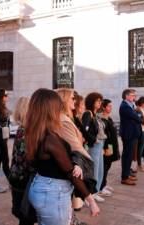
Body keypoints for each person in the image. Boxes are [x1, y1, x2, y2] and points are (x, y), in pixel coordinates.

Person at [25, 89, 99, 225]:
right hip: (53, 193)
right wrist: (91, 200)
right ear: (50, 109)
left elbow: (57, 161)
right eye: (57, 106)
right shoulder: (50, 138)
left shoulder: (36, 132)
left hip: (44, 187)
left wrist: (75, 163)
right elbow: (70, 172)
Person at [56, 88, 91, 225]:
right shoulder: (64, 120)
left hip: (71, 165)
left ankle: (71, 220)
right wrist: (88, 162)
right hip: (70, 166)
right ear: (64, 100)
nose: (74, 101)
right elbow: (75, 146)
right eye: (72, 98)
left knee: (68, 201)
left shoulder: (67, 118)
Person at [8, 97, 35, 225]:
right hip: (23, 181)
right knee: (26, 217)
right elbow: (26, 159)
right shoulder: (26, 131)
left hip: (17, 178)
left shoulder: (22, 129)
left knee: (24, 217)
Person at [82, 92, 107, 202]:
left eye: (100, 100)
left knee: (100, 169)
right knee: (94, 170)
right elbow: (84, 129)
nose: (100, 103)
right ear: (92, 102)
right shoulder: (88, 113)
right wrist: (93, 139)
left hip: (100, 144)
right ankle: (91, 193)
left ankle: (96, 191)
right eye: (97, 101)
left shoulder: (96, 114)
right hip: (94, 145)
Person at [119, 89, 141, 185]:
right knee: (127, 156)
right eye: (132, 95)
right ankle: (124, 177)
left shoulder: (130, 105)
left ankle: (127, 174)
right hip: (128, 134)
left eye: (134, 95)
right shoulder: (125, 106)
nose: (134, 97)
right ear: (126, 96)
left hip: (132, 134)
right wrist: (139, 115)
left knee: (129, 155)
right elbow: (136, 118)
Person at [99, 99, 120, 196]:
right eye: (108, 106)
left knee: (108, 165)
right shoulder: (101, 118)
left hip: (112, 145)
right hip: (107, 146)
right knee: (105, 166)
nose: (110, 108)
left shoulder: (109, 118)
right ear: (103, 107)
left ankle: (104, 184)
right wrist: (105, 148)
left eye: (111, 106)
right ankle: (100, 187)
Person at [135, 97, 144, 171]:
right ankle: (139, 165)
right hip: (141, 130)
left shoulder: (142, 109)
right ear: (142, 102)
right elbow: (139, 119)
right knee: (140, 148)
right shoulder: (138, 109)